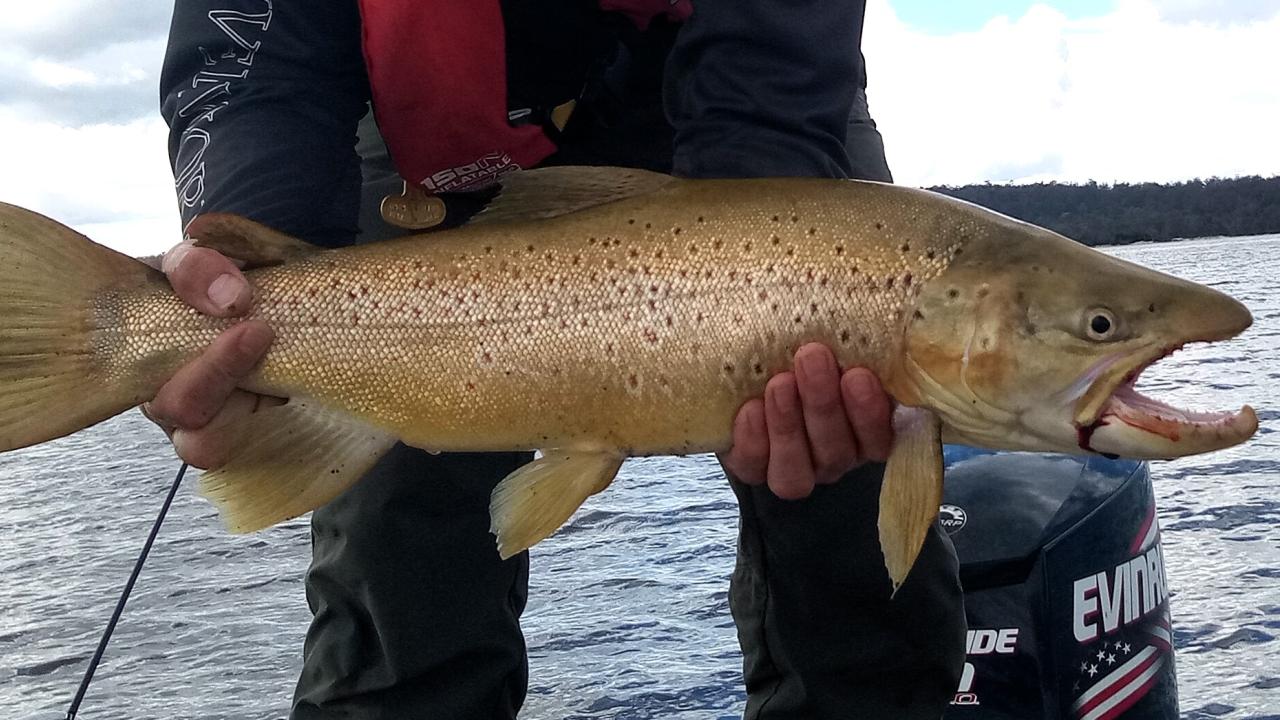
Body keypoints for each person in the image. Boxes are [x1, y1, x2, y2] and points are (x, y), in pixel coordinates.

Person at [149, 2, 965, 718]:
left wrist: (762, 272)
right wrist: (246, 239)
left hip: (746, 73)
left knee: (855, 495)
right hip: (428, 119)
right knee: (399, 559)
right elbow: (258, 45)